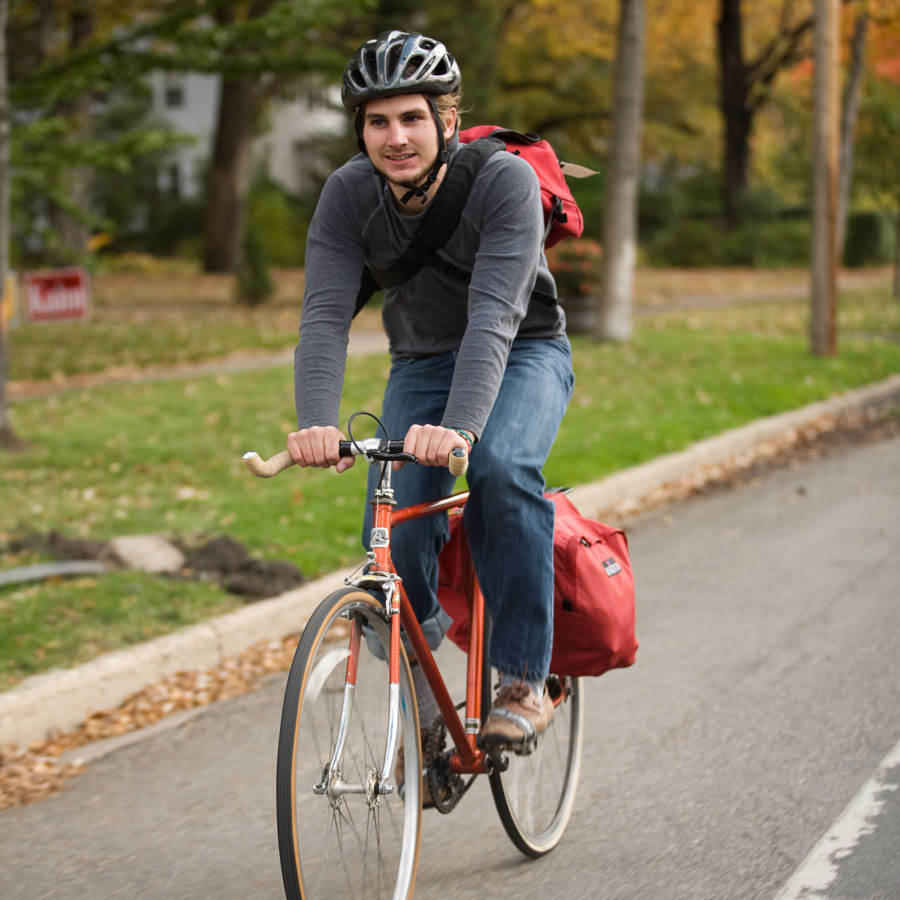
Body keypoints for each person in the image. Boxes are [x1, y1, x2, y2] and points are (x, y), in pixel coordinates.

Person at [287, 30, 574, 750]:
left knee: (502, 468)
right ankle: (418, 670)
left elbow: (495, 319)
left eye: (412, 118)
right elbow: (324, 317)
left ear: (447, 120)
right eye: (378, 121)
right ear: (360, 130)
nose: (396, 138)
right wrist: (316, 420)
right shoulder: (349, 195)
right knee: (393, 527)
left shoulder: (503, 182)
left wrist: (463, 430)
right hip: (420, 360)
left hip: (525, 350)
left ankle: (524, 677)